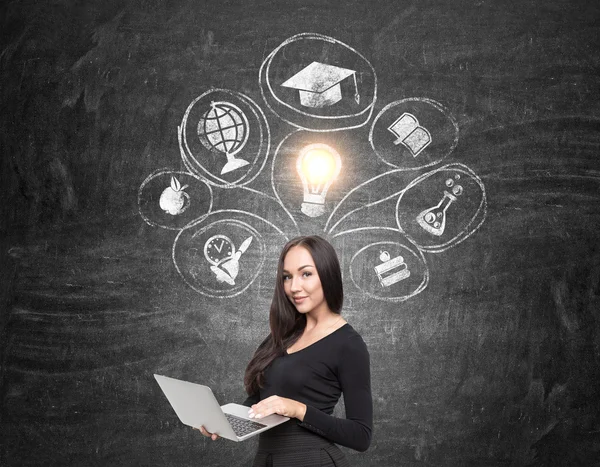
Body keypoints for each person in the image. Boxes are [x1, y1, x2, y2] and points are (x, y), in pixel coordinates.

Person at [198, 235, 372, 466]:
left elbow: (361, 436)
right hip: (267, 459)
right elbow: (259, 401)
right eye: (287, 277)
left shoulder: (349, 344)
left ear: (327, 275)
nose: (294, 287)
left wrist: (298, 409)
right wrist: (222, 419)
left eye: (306, 274)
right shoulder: (282, 336)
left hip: (312, 460)